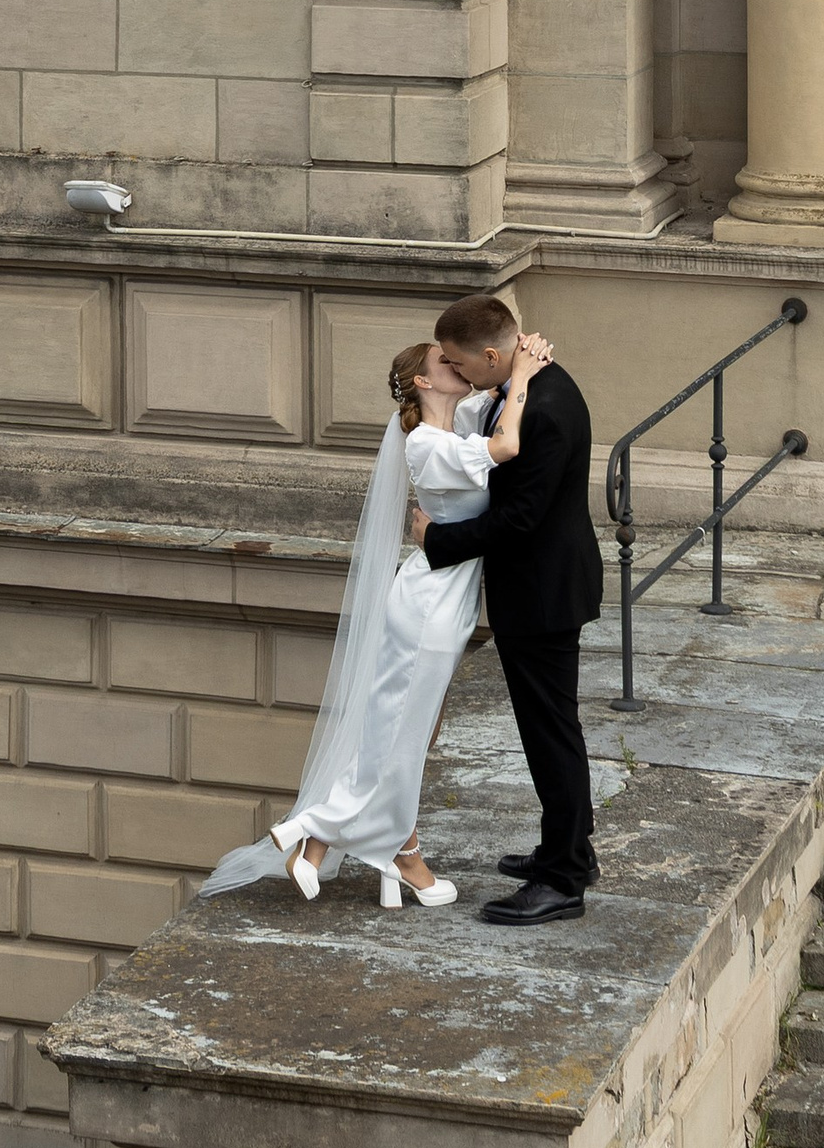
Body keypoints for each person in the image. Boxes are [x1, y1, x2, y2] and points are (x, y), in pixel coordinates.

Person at [197, 326, 551, 912]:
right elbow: (507, 446)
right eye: (446, 361)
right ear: (423, 379)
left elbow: (491, 404)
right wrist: (521, 379)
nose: (460, 365)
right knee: (396, 730)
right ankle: (318, 828)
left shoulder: (455, 424)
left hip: (446, 599)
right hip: (428, 604)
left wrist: (525, 356)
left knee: (414, 731)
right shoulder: (424, 445)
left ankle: (394, 851)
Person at [418, 296, 606, 926]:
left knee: (551, 735)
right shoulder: (529, 382)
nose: (455, 371)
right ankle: (567, 849)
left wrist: (434, 540)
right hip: (541, 586)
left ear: (492, 355)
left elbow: (519, 518)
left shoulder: (544, 407)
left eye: (459, 362)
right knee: (551, 730)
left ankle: (564, 880)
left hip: (543, 593)